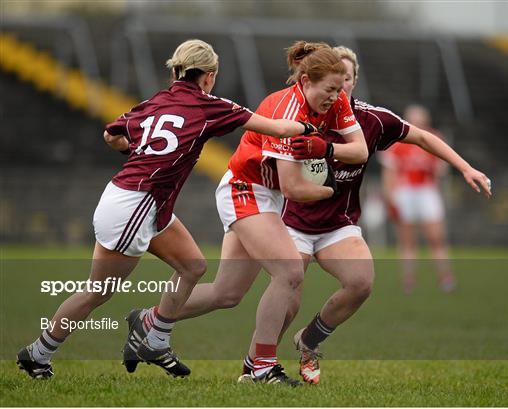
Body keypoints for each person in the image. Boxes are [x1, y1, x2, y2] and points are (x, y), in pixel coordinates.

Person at [16, 39, 320, 379]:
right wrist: (311, 130)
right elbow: (277, 127)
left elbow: (110, 135)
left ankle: (156, 338)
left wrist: (138, 149)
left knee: (193, 265)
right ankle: (38, 353)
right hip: (136, 205)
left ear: (175, 71)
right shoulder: (209, 105)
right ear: (208, 76)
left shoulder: (155, 101)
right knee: (98, 291)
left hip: (138, 200)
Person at [236, 46, 491, 385]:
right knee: (288, 299)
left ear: (353, 80)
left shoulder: (371, 120)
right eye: (332, 83)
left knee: (361, 282)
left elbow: (420, 137)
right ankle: (256, 365)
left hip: (338, 224)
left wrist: (465, 167)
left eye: (345, 81)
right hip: (293, 221)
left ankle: (309, 341)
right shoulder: (302, 113)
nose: (338, 90)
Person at [123, 41, 368, 386]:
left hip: (264, 195)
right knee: (289, 272)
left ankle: (149, 321)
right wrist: (331, 189)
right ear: (305, 81)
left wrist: (326, 148)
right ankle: (262, 366)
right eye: (328, 89)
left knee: (227, 293)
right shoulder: (287, 109)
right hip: (244, 189)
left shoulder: (336, 96)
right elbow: (295, 189)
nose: (335, 96)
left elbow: (360, 151)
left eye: (338, 88)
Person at [380, 104, 456, 293]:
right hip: (405, 192)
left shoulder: (434, 138)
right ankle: (408, 280)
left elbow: (442, 167)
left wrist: (439, 168)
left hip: (427, 190)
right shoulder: (397, 141)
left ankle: (445, 277)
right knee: (407, 240)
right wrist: (390, 198)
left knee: (436, 237)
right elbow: (389, 173)